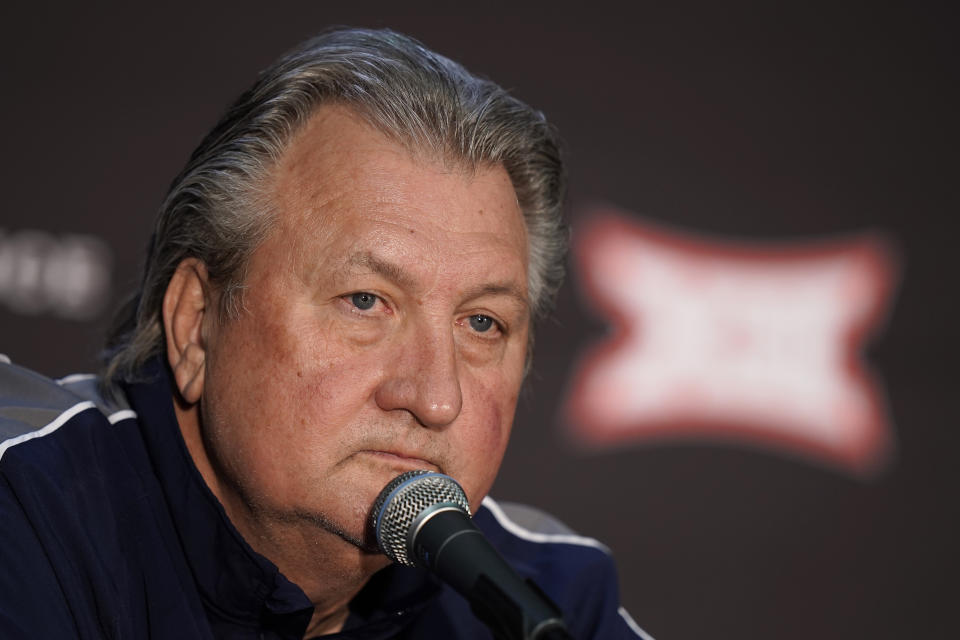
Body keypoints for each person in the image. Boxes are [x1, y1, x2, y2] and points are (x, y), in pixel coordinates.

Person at [0, 28, 648, 639]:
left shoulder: (549, 598)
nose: (434, 397)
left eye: (482, 323)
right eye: (365, 301)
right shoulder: (24, 510)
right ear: (196, 324)